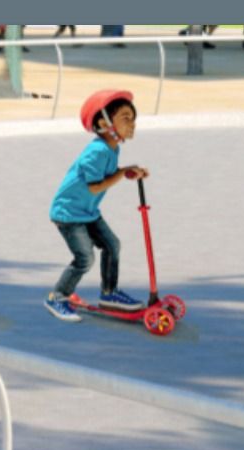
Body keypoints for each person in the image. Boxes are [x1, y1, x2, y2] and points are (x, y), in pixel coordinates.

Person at [43, 89, 150, 321]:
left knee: (112, 245)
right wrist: (122, 172)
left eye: (133, 119)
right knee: (85, 258)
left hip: (87, 212)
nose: (133, 125)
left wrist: (127, 172)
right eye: (126, 118)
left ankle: (109, 294)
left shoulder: (112, 148)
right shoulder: (97, 151)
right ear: (104, 122)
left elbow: (109, 175)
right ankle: (57, 297)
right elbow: (95, 186)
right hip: (69, 214)